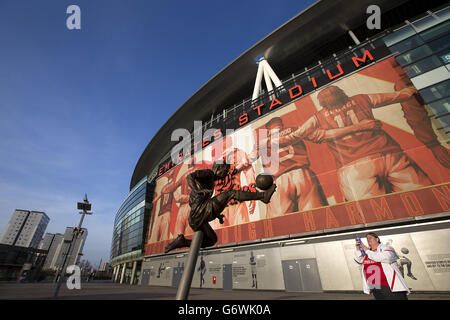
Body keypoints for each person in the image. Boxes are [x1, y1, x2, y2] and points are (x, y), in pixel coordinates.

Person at [278, 85, 433, 201]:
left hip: (352, 165)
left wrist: (271, 142)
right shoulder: (361, 99)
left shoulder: (317, 117)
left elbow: (295, 136)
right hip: (389, 154)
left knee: (372, 212)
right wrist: (410, 90)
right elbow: (396, 96)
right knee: (424, 197)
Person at [164, 162, 277, 253]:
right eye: (225, 171)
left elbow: (202, 202)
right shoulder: (209, 173)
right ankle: (262, 196)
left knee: (212, 240)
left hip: (197, 217)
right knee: (230, 193)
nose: (226, 174)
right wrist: (198, 190)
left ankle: (183, 242)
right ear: (219, 169)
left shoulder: (211, 181)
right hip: (199, 212)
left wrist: (217, 215)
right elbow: (190, 177)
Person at [251, 116, 328, 217]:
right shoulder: (295, 129)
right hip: (303, 174)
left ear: (268, 130)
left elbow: (248, 159)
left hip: (279, 181)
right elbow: (319, 136)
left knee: (279, 224)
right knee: (316, 217)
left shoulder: (261, 143)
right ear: (281, 125)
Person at [354, 232, 410, 300]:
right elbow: (359, 260)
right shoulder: (368, 252)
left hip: (388, 285)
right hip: (375, 286)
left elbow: (386, 258)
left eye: (370, 238)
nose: (368, 239)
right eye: (367, 238)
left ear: (377, 239)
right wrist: (358, 249)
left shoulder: (386, 248)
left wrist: (366, 249)